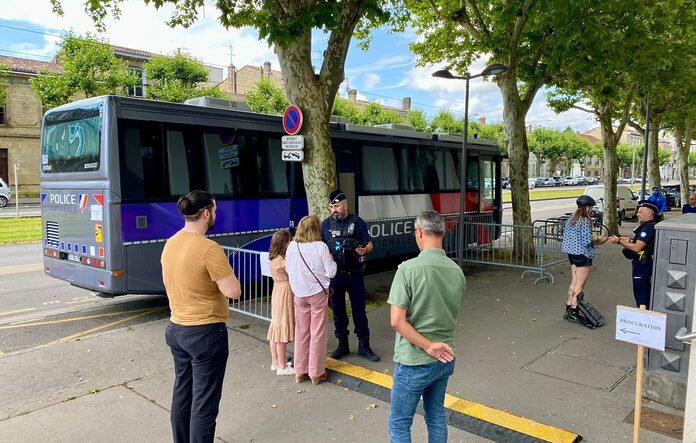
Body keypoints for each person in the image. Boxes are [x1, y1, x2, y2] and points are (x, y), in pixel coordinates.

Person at [161, 190, 242, 443]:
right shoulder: (208, 249)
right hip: (205, 332)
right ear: (206, 212)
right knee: (204, 404)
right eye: (215, 210)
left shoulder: (171, 242)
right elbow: (234, 291)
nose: (215, 214)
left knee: (182, 394)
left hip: (176, 329)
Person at [387, 211, 467, 443]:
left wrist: (428, 345)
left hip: (414, 360)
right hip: (445, 358)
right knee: (436, 415)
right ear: (442, 233)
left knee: (400, 423)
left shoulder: (407, 270)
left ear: (419, 232)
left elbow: (397, 321)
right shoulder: (457, 271)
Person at [321, 190, 380, 362]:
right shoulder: (325, 225)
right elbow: (319, 246)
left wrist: (364, 250)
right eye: (331, 206)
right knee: (338, 312)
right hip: (335, 275)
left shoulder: (357, 222)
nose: (334, 210)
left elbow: (369, 245)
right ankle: (343, 345)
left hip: (354, 274)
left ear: (345, 204)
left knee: (359, 311)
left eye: (337, 206)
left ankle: (364, 346)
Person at [286, 215, 337, 385]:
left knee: (301, 331)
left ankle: (299, 371)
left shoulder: (292, 246)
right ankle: (316, 372)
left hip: (299, 293)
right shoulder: (321, 247)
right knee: (317, 332)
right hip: (317, 293)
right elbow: (331, 272)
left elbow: (288, 268)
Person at [608, 200, 659, 308]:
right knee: (642, 290)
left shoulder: (648, 228)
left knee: (641, 291)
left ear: (650, 213)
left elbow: (637, 247)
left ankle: (642, 316)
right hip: (642, 262)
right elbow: (637, 241)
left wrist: (619, 241)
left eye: (640, 212)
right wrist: (625, 239)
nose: (637, 214)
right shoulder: (645, 226)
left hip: (642, 264)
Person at [560, 195, 604, 321]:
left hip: (572, 254)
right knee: (580, 285)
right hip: (583, 255)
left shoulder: (571, 219)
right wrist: (598, 240)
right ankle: (574, 311)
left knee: (574, 282)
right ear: (587, 207)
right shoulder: (584, 220)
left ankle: (568, 308)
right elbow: (586, 241)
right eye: (591, 207)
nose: (591, 210)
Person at [267, 230, 295, 376]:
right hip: (285, 291)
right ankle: (282, 366)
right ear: (285, 243)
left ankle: (276, 362)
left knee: (276, 327)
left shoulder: (272, 258)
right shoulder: (283, 262)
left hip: (277, 290)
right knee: (282, 327)